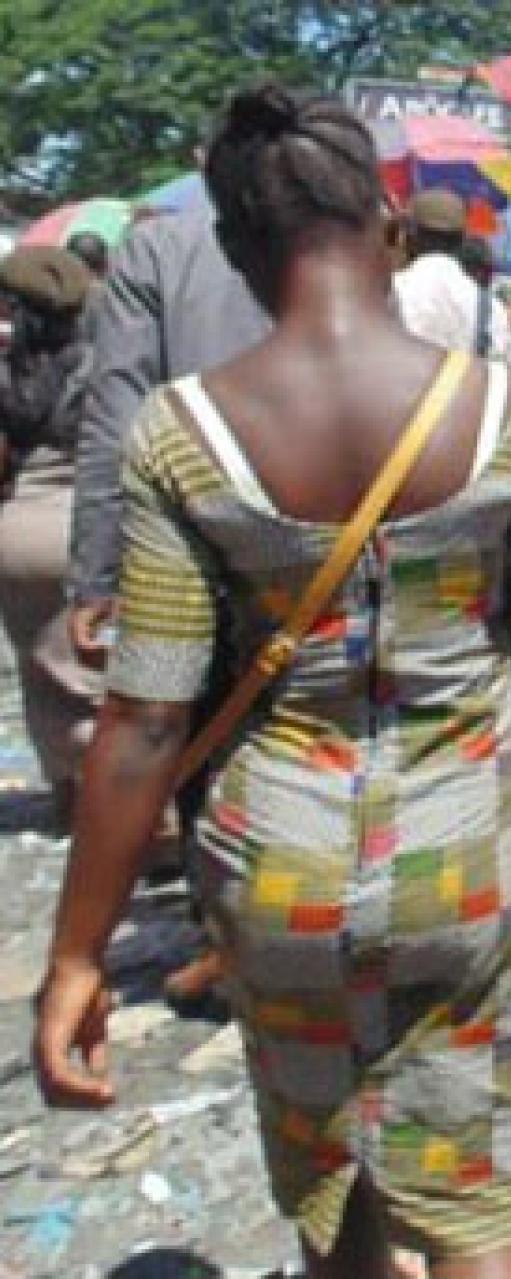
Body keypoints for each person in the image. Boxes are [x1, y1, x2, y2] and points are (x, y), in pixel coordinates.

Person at [33, 85, 511, 1278]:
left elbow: (145, 716)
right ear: (389, 227)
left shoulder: (183, 433)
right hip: (464, 854)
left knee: (335, 1186)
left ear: (236, 249)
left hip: (278, 872)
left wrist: (79, 951)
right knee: (473, 1209)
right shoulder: (504, 414)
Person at [68, 152, 275, 1009]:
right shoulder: (337, 240)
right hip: (322, 527)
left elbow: (115, 412)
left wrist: (96, 569)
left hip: (190, 538)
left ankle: (229, 934)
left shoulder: (157, 250)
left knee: (186, 726)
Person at [0, 247, 102, 829]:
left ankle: (67, 796)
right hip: (92, 525)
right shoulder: (106, 364)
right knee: (101, 670)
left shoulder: (11, 371)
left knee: (41, 673)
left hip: (19, 531)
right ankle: (121, 802)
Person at [393, 188, 511, 365]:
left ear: (409, 235)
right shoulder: (491, 307)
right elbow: (504, 372)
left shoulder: (388, 293)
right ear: (462, 239)